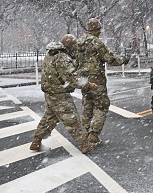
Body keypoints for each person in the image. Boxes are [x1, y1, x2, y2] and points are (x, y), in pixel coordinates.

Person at [29, 37, 94, 153]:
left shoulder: (51, 54)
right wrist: (88, 85)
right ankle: (85, 144)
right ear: (70, 45)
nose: (76, 48)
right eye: (75, 45)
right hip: (60, 95)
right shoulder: (62, 57)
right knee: (72, 119)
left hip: (50, 93)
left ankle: (36, 141)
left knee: (49, 118)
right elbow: (71, 77)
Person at [76, 18, 129, 151]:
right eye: (99, 29)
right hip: (96, 79)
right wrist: (123, 60)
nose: (100, 32)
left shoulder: (79, 42)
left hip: (84, 80)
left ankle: (85, 134)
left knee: (87, 106)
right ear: (96, 29)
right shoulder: (96, 42)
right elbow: (109, 58)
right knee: (101, 105)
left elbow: (74, 61)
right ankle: (93, 134)